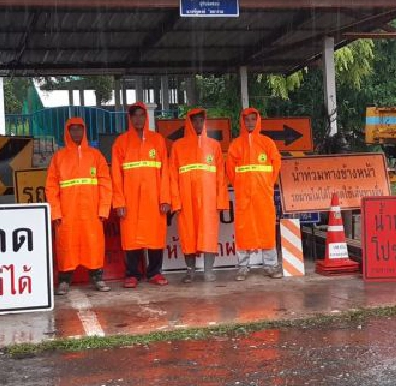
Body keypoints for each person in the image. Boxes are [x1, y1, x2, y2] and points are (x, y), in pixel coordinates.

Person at [46, 117, 113, 295]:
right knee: (67, 245)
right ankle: (64, 280)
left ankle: (98, 277)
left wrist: (103, 208)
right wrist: (55, 212)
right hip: (67, 212)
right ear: (67, 132)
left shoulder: (96, 156)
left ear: (84, 131)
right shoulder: (58, 157)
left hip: (92, 211)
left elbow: (106, 184)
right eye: (72, 129)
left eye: (79, 129)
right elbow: (51, 187)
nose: (76, 133)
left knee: (94, 244)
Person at [112, 103, 171, 288]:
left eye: (141, 115)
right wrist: (119, 201)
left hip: (153, 198)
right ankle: (132, 274)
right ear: (130, 118)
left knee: (155, 235)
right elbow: (116, 175)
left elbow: (165, 172)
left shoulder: (157, 140)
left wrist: (165, 198)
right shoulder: (121, 142)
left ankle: (155, 272)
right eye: (135, 116)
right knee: (131, 236)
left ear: (146, 117)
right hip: (130, 200)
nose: (138, 119)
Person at [170, 108, 227, 282]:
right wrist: (176, 201)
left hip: (209, 201)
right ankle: (190, 271)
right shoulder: (178, 146)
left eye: (201, 120)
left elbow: (221, 177)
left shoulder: (214, 145)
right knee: (188, 234)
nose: (198, 124)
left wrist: (221, 201)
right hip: (186, 200)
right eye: (194, 120)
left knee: (209, 234)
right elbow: (172, 176)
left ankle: (209, 271)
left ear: (205, 121)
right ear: (189, 122)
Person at [226, 108, 282, 281]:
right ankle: (243, 266)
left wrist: (267, 184)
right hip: (244, 195)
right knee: (243, 230)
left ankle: (270, 266)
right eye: (247, 120)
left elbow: (276, 163)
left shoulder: (267, 142)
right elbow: (230, 168)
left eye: (252, 119)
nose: (250, 123)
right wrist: (239, 185)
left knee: (266, 228)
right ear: (242, 122)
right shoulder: (236, 144)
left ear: (258, 121)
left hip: (263, 195)